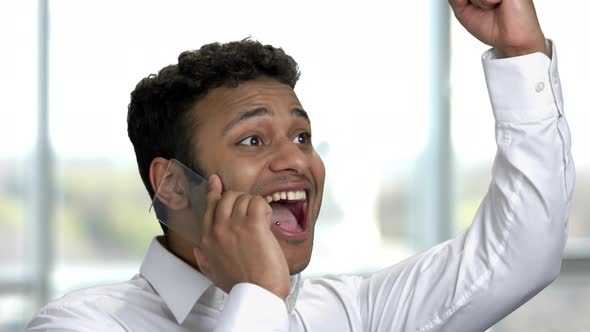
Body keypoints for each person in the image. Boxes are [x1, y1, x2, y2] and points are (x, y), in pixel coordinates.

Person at [26, 0, 574, 331]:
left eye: (301, 134)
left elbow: (519, 253)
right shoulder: (81, 323)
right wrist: (259, 299)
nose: (295, 158)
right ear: (172, 183)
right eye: (251, 140)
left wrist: (520, 51)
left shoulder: (351, 313)